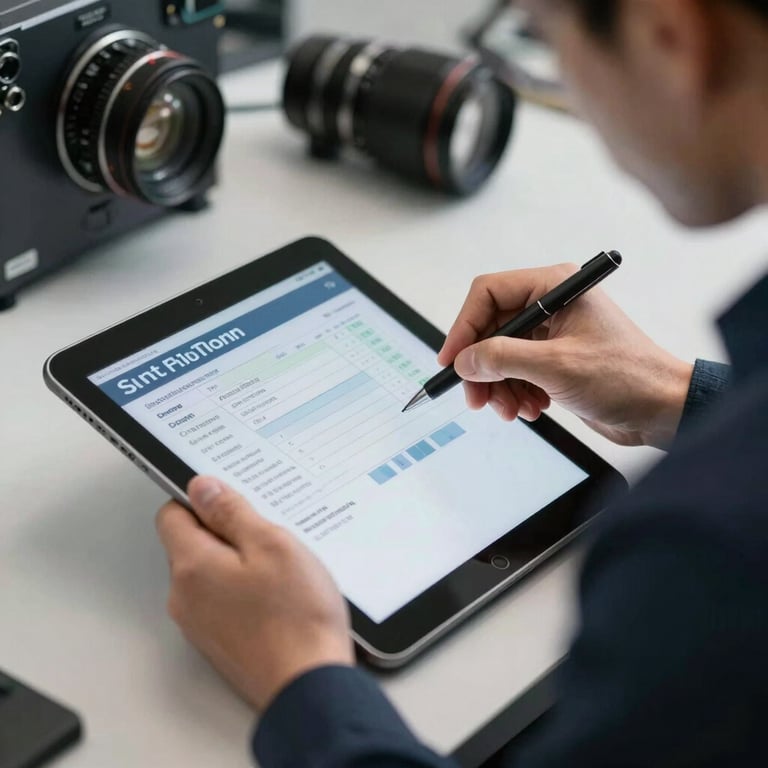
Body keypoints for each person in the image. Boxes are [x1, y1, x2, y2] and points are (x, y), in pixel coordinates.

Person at [156, 0, 768, 765]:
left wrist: (301, 674)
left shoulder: (704, 556)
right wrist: (679, 397)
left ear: (670, 36)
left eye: (543, 40)